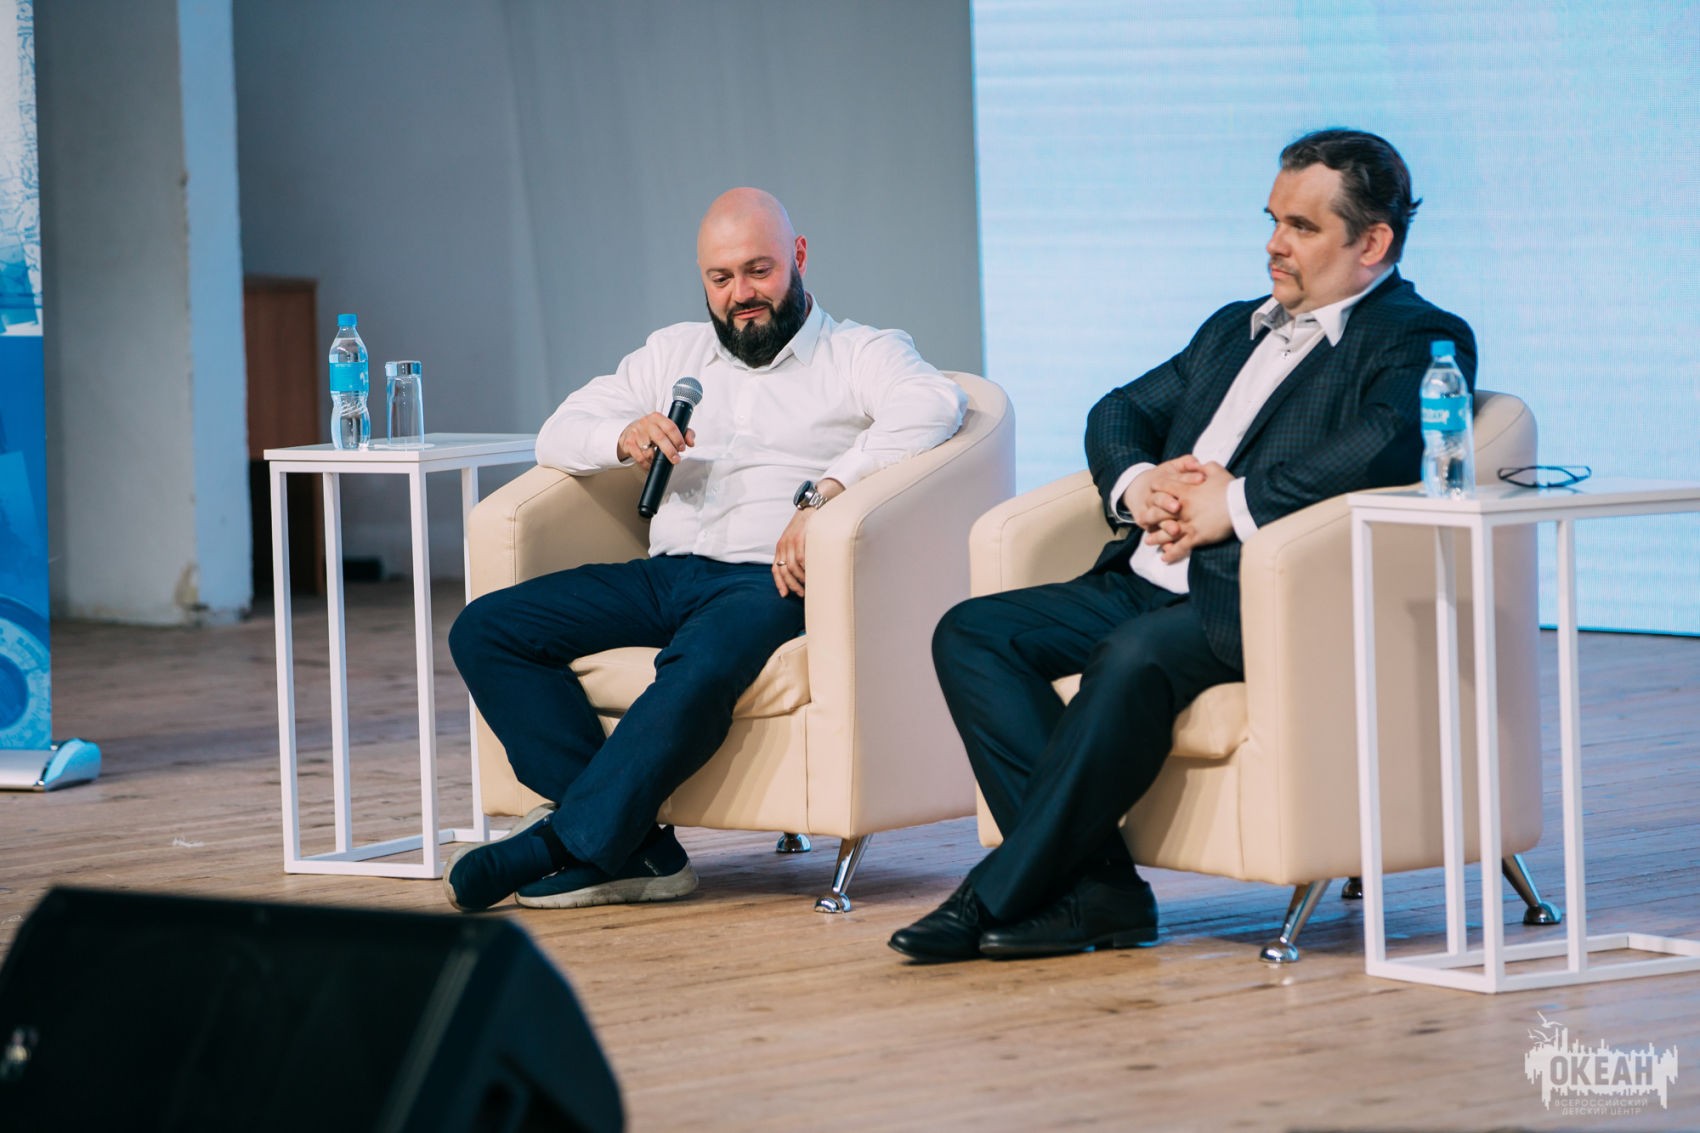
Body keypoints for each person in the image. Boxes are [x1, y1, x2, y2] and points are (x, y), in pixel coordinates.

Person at [889, 128, 1475, 962]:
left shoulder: (1414, 338)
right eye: (1273, 220)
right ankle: (1102, 892)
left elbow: (1379, 447)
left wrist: (1229, 505)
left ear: (1372, 242)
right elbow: (1119, 410)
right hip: (1142, 577)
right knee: (972, 631)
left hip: (1247, 596)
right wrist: (1141, 486)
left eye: (1302, 227)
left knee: (1130, 656)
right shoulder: (1235, 328)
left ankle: (993, 893)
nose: (1274, 244)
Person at [447, 188, 966, 913]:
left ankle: (557, 843)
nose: (741, 295)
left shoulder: (858, 352)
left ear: (799, 256)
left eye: (759, 271)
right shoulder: (674, 353)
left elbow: (935, 405)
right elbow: (558, 431)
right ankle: (634, 846)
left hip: (766, 581)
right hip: (665, 575)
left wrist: (825, 494)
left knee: (700, 667)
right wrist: (621, 435)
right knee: (487, 628)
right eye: (721, 279)